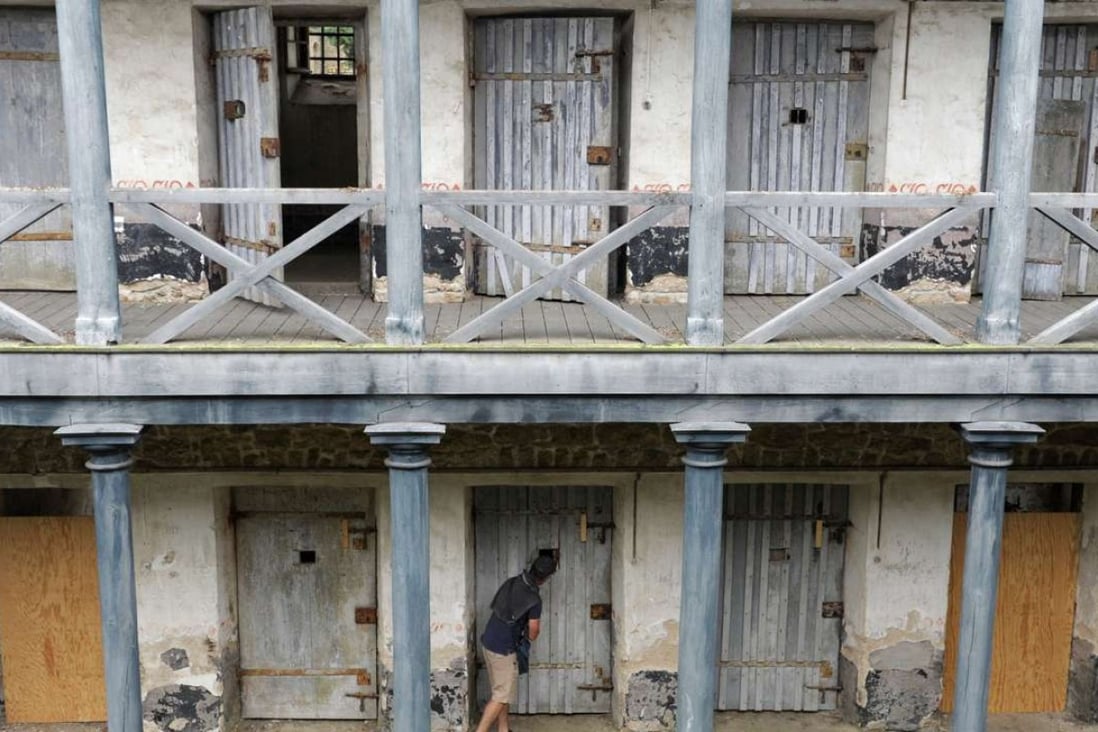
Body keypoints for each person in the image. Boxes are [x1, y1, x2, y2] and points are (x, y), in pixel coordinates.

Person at [475, 554, 557, 732]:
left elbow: (497, 606)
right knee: (501, 696)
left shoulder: (512, 582)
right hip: (503, 650)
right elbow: (533, 632)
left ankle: (504, 729)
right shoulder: (534, 599)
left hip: (488, 641)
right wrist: (528, 634)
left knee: (501, 692)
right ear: (545, 578)